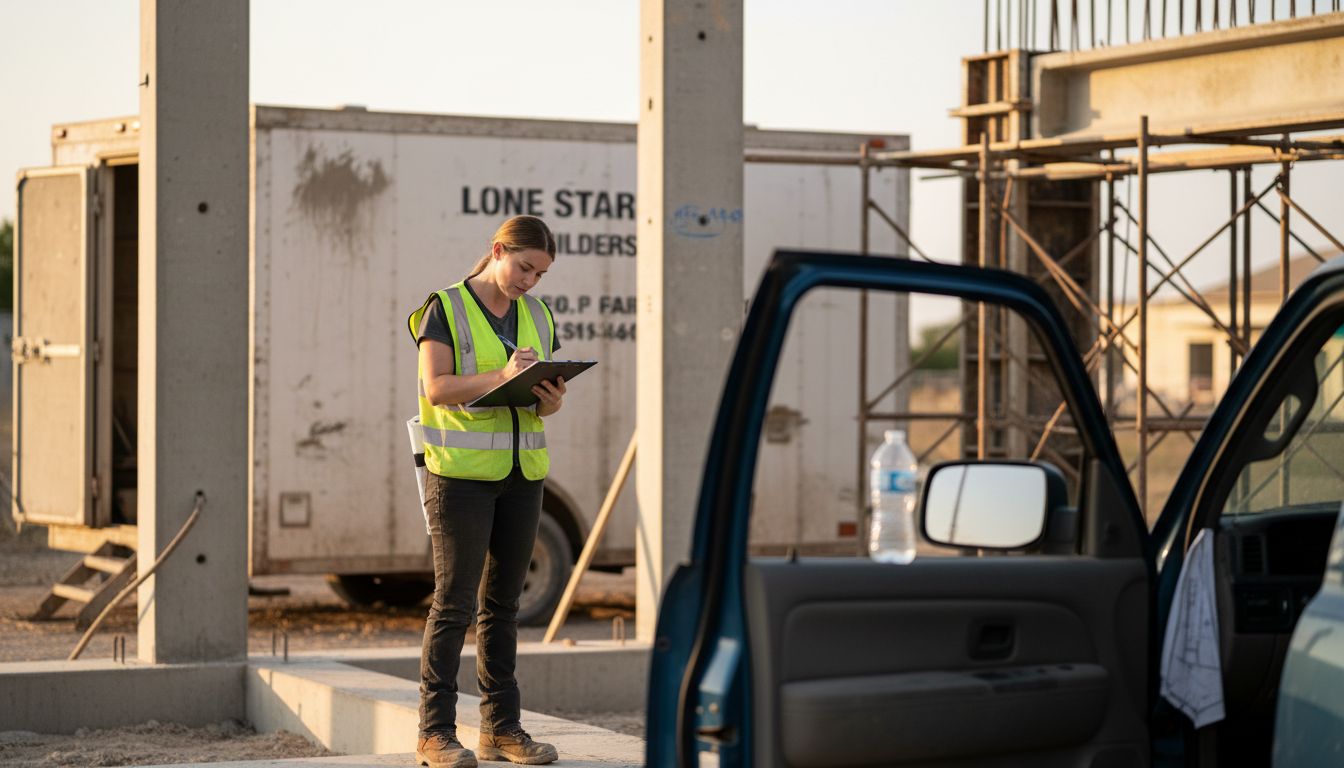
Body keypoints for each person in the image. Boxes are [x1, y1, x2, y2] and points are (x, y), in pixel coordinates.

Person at [407, 215, 565, 768]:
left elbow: (546, 400)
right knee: (453, 605)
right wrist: (502, 377)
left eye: (540, 274)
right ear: (498, 251)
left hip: (523, 475)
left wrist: (549, 397)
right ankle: (434, 734)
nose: (530, 281)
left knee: (503, 605)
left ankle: (501, 729)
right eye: (524, 267)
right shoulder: (444, 308)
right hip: (459, 476)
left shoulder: (539, 315)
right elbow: (438, 387)